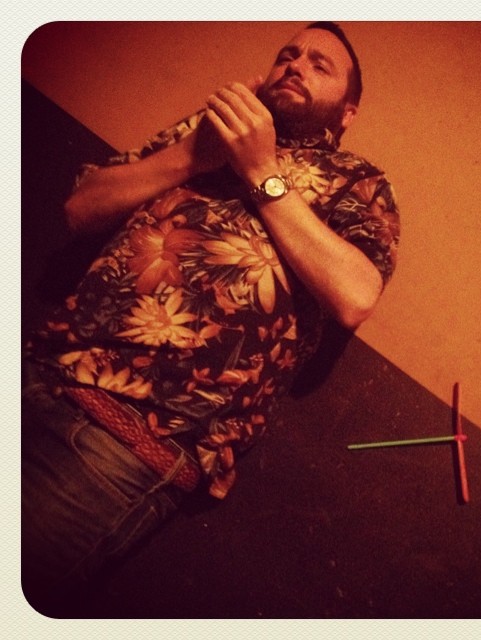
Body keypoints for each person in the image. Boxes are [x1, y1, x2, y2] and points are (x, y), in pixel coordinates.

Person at [22, 22, 399, 612]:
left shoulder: (358, 182)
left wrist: (261, 170)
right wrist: (193, 154)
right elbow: (80, 207)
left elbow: (355, 296)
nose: (296, 64)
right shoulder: (201, 134)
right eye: (288, 53)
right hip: (37, 374)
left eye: (319, 64)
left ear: (347, 112)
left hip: (123, 441)